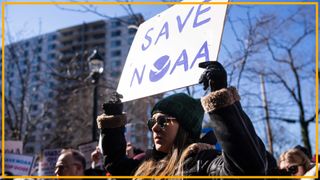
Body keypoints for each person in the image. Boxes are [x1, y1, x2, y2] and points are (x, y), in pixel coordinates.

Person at [97, 61, 269, 176]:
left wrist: (221, 97)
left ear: (185, 126)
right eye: (152, 122)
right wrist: (112, 121)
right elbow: (116, 165)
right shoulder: (144, 164)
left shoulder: (203, 163)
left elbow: (249, 169)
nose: (155, 128)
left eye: (163, 121)